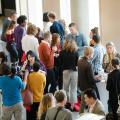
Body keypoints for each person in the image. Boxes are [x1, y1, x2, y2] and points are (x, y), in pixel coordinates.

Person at [78, 46, 100, 113]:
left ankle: (80, 115)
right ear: (90, 53)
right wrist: (98, 79)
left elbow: (84, 74)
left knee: (83, 102)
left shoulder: (80, 61)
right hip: (88, 87)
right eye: (93, 53)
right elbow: (91, 80)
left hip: (82, 85)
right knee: (92, 103)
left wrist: (94, 77)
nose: (93, 55)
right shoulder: (88, 64)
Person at [59, 40, 79, 108]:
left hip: (65, 71)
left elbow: (60, 62)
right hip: (74, 71)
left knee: (65, 88)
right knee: (73, 89)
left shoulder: (62, 52)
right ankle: (72, 106)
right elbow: (77, 64)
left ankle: (66, 103)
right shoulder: (76, 52)